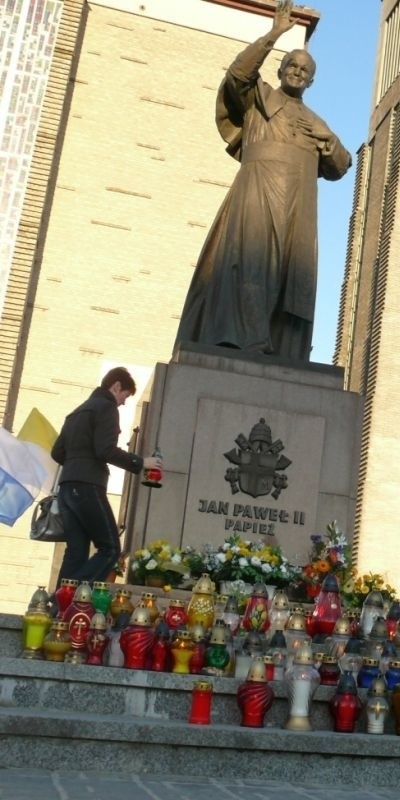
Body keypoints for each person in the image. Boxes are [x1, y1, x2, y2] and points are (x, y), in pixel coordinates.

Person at [174, 0, 351, 361]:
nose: (298, 72)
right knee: (253, 262)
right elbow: (238, 75)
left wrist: (329, 143)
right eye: (293, 65)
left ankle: (278, 346)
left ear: (312, 80)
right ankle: (246, 338)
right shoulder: (260, 100)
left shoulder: (314, 120)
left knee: (289, 274)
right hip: (258, 190)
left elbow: (340, 166)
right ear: (282, 68)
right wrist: (274, 33)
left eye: (305, 69)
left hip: (299, 205)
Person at [51, 367, 162, 587]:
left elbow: (57, 452)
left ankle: (58, 606)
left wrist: (76, 464)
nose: (123, 402)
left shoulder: (77, 412)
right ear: (116, 386)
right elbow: (105, 450)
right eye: (125, 396)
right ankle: (73, 597)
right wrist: (142, 463)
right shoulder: (107, 408)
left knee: (76, 551)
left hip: (67, 487)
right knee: (110, 548)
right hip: (88, 486)